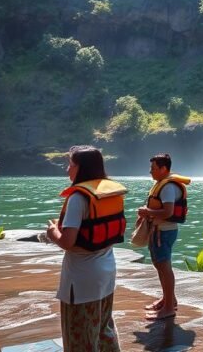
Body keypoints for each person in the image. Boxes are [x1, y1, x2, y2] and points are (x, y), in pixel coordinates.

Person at [46, 146, 124, 351]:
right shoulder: (108, 192)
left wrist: (52, 231)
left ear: (82, 168)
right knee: (104, 330)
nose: (67, 170)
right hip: (106, 273)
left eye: (70, 165)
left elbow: (67, 242)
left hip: (81, 280)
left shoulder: (78, 198)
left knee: (79, 337)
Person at [137, 153, 190, 321]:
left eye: (153, 168)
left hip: (164, 232)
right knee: (160, 265)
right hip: (160, 230)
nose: (150, 171)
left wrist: (147, 212)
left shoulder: (167, 187)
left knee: (164, 267)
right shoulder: (163, 184)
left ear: (163, 169)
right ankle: (168, 299)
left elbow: (168, 212)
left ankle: (168, 308)